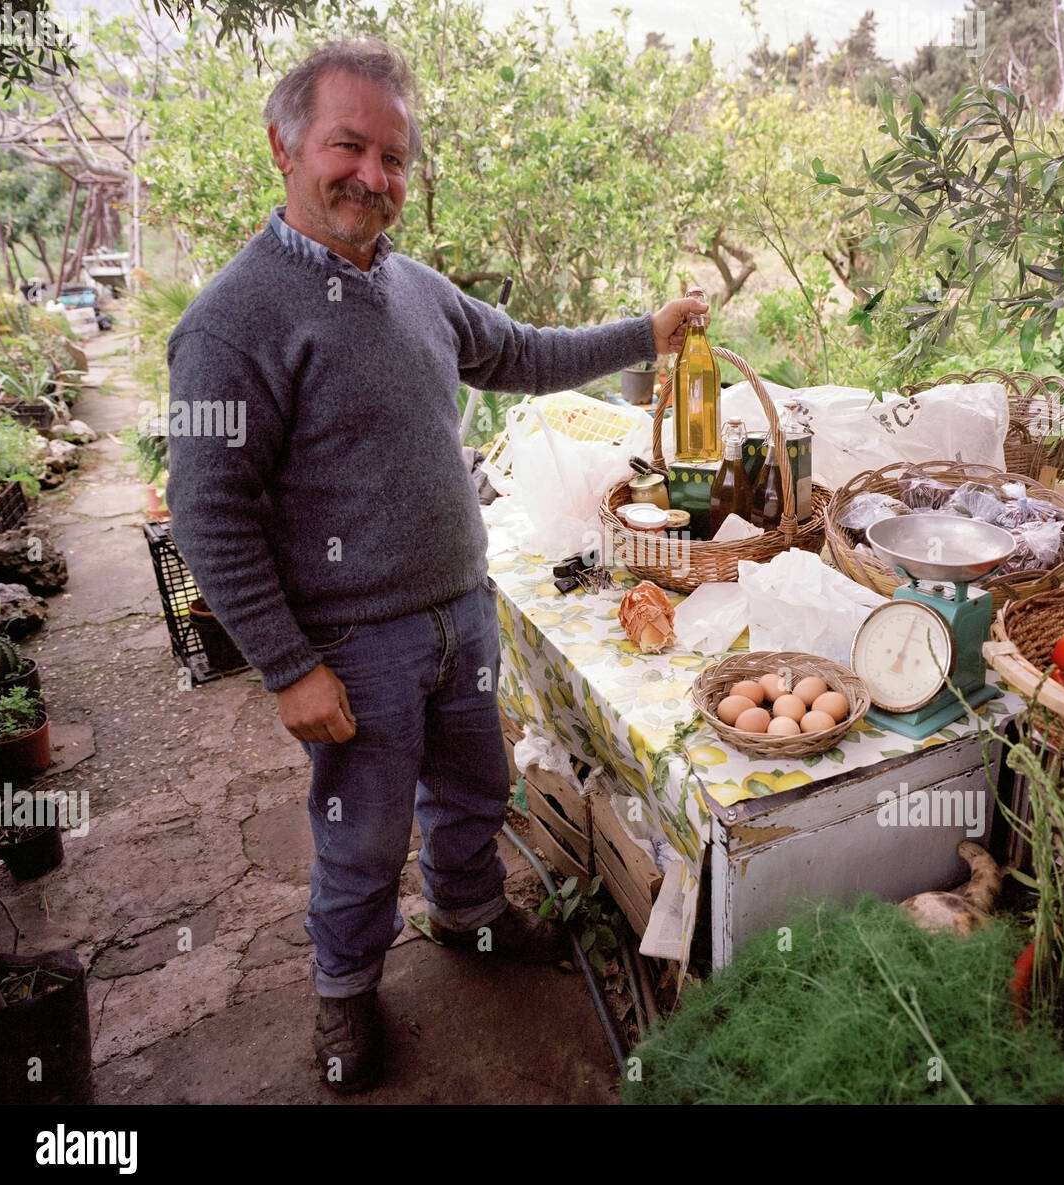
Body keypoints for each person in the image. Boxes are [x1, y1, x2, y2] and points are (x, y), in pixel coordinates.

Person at [166, 39, 707, 1094]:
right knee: (360, 838)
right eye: (349, 147)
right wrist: (287, 667)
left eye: (396, 158)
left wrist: (646, 330)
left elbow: (522, 356)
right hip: (348, 644)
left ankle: (469, 916)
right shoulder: (229, 322)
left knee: (474, 792)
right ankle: (344, 990)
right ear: (283, 146)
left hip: (460, 613)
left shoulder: (414, 289)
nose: (374, 177)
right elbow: (208, 511)